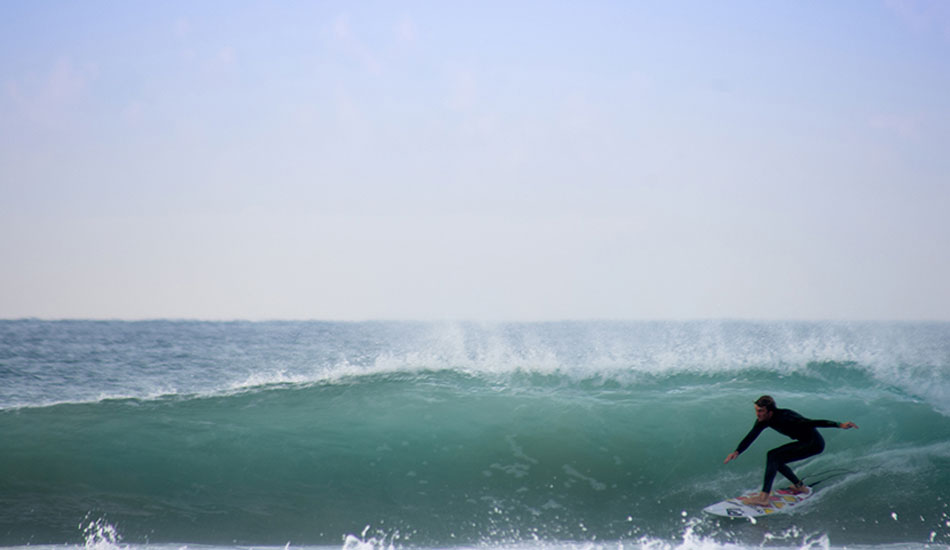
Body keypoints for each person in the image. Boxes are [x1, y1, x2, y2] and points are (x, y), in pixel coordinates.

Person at [723, 395, 858, 507]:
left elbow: (812, 422)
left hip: (814, 444)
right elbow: (752, 435)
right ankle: (799, 487)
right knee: (776, 460)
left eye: (760, 411)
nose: (757, 414)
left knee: (773, 456)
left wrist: (839, 424)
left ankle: (763, 497)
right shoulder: (763, 420)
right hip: (803, 442)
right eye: (756, 410)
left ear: (770, 412)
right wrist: (737, 451)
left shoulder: (786, 417)